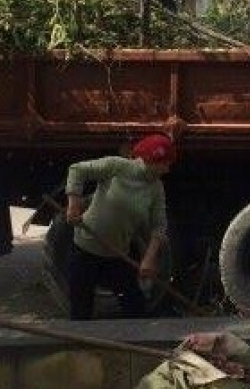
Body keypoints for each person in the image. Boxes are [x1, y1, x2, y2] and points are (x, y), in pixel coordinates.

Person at [65, 132, 175, 320]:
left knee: (136, 310)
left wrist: (148, 258)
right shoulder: (116, 166)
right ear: (151, 160)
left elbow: (159, 226)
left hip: (117, 255)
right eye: (165, 164)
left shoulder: (156, 188)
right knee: (80, 313)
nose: (167, 170)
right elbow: (77, 170)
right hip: (85, 251)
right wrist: (74, 204)